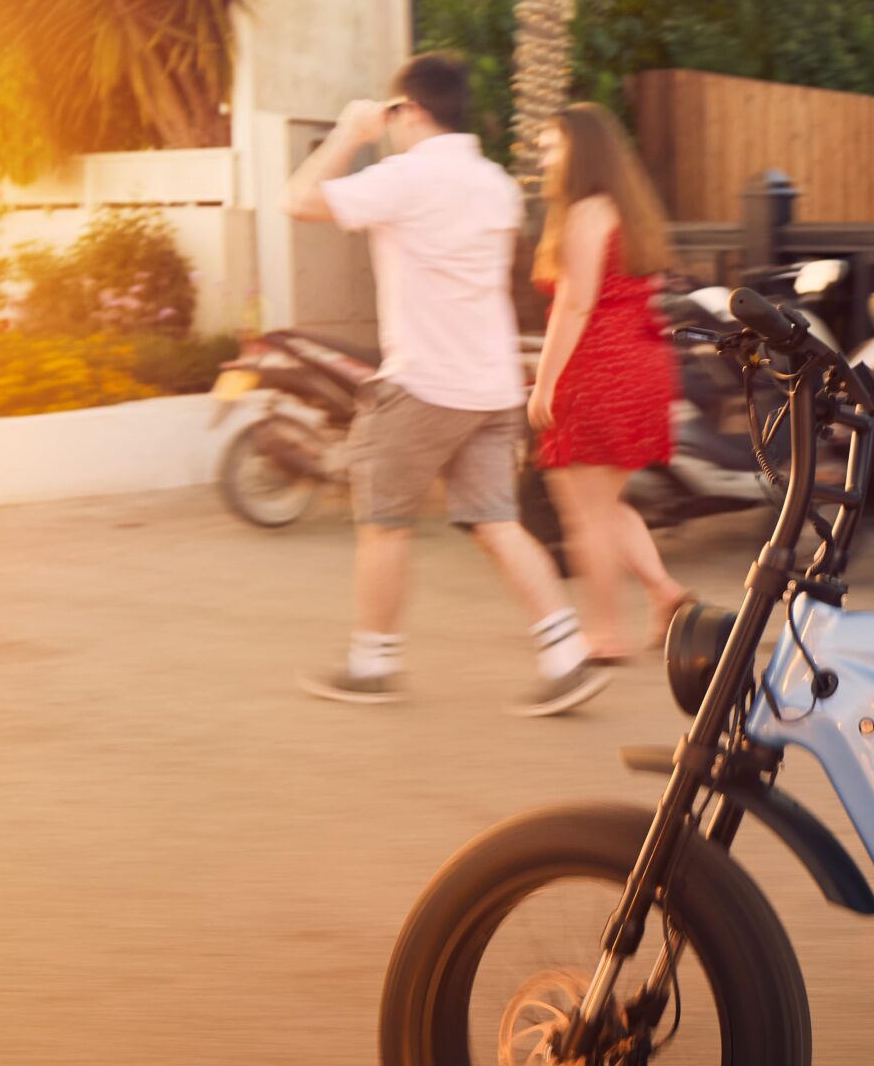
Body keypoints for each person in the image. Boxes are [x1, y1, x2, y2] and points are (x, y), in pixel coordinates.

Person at [284, 53, 610, 716]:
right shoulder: (493, 183)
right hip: (489, 388)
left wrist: (350, 134)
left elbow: (297, 200)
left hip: (422, 383)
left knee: (383, 523)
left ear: (408, 111)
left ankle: (372, 664)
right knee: (497, 523)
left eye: (395, 112)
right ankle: (566, 656)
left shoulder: (405, 176)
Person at [527, 103, 692, 661]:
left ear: (581, 152)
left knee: (584, 513)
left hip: (599, 367)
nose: (544, 156)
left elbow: (573, 307)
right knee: (605, 503)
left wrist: (543, 384)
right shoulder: (626, 209)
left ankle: (606, 633)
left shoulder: (585, 212)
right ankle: (663, 591)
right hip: (641, 361)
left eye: (552, 146)